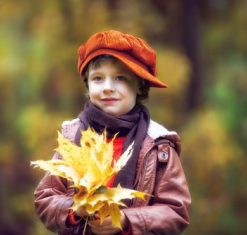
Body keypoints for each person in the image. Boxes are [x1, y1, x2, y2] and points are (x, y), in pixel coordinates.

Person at [34, 30, 191, 235]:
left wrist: (127, 220)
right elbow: (45, 197)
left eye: (120, 78)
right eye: (98, 78)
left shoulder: (158, 144)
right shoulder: (72, 138)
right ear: (88, 84)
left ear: (140, 85)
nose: (108, 87)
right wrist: (74, 209)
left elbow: (176, 211)